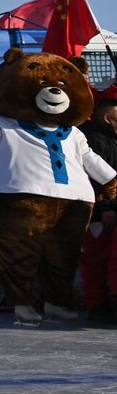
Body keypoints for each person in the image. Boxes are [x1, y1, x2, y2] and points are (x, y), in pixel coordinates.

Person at [79, 98, 117, 321]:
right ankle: (97, 306)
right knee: (96, 261)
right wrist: (106, 209)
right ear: (107, 118)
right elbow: (94, 181)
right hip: (100, 214)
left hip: (110, 212)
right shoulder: (94, 142)